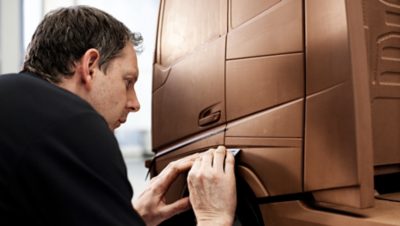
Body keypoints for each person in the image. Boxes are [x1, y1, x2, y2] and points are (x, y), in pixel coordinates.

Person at [0, 6, 236, 226]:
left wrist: (130, 218)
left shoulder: (20, 109)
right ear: (90, 66)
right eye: (128, 82)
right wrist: (212, 217)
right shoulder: (73, 123)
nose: (135, 104)